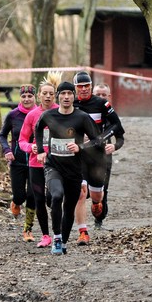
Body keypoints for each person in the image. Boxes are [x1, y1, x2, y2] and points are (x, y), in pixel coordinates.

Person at [35, 81, 101, 255]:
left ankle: (63, 241)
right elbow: (38, 128)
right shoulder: (48, 115)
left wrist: (81, 147)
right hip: (53, 166)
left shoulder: (82, 117)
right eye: (63, 94)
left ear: (74, 96)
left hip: (74, 170)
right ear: (58, 96)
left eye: (69, 94)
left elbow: (96, 140)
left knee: (69, 207)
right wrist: (41, 151)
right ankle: (56, 238)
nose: (66, 97)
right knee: (56, 196)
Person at [72, 71, 125, 240]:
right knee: (80, 192)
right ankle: (82, 231)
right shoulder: (70, 103)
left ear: (91, 87)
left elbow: (118, 127)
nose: (84, 90)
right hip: (78, 155)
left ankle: (97, 206)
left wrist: (100, 139)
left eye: (87, 86)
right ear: (75, 89)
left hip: (98, 156)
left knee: (98, 194)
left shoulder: (102, 105)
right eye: (80, 87)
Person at [18, 72, 61, 248]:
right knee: (38, 199)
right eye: (45, 93)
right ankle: (45, 235)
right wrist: (30, 147)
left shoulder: (60, 112)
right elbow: (21, 140)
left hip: (57, 163)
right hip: (35, 163)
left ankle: (58, 230)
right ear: (39, 96)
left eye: (51, 93)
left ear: (55, 95)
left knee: (53, 197)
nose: (48, 96)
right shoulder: (32, 115)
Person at [0, 84, 37, 241]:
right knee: (20, 196)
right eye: (24, 96)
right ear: (20, 98)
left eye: (30, 96)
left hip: (35, 162)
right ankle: (15, 202)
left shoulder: (41, 114)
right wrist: (7, 150)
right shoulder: (13, 115)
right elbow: (2, 135)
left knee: (32, 195)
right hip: (17, 161)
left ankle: (28, 229)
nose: (26, 99)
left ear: (35, 97)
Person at [89, 82, 125, 229]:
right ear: (92, 95)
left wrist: (114, 146)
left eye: (104, 95)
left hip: (103, 157)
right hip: (83, 155)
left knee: (102, 189)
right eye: (98, 95)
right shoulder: (84, 111)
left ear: (109, 97)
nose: (101, 97)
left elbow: (121, 137)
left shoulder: (111, 115)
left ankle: (99, 220)